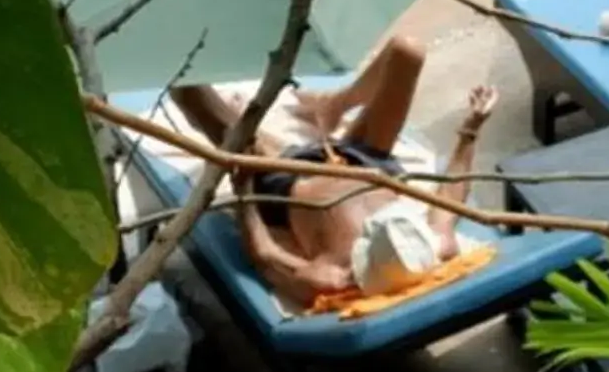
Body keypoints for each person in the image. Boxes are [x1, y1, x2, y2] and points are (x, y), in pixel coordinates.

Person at [170, 39, 497, 307]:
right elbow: (452, 192)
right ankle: (335, 104)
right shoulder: (434, 245)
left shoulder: (332, 277)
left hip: (290, 178)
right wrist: (472, 129)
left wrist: (243, 187)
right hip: (368, 163)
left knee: (191, 92)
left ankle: (233, 113)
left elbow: (265, 254)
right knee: (408, 51)